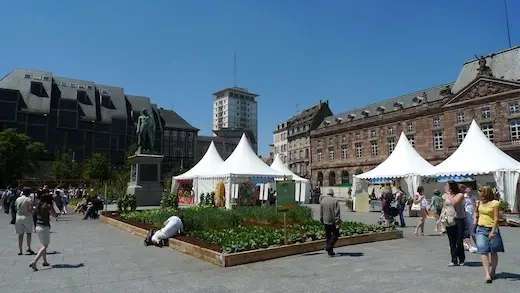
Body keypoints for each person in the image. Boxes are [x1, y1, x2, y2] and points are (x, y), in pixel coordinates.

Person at [474, 186, 505, 283]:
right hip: (481, 228)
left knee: (493, 251)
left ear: (485, 192)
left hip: (492, 228)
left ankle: (493, 271)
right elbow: (476, 213)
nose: (478, 192)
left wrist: (493, 231)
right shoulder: (479, 202)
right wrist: (475, 218)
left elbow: (496, 218)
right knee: (483, 251)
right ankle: (487, 273)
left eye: (480, 191)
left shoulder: (495, 203)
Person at [29, 190, 57, 271]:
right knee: (45, 245)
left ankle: (45, 261)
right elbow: (54, 215)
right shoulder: (47, 206)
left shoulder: (38, 205)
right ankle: (34, 261)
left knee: (43, 244)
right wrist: (53, 207)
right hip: (44, 227)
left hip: (38, 226)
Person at [444, 181, 466, 266]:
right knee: (451, 241)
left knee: (459, 240)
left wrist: (448, 194)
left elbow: (454, 203)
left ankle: (461, 258)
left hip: (459, 219)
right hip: (449, 219)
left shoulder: (460, 195)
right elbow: (445, 206)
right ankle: (453, 260)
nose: (445, 187)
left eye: (447, 185)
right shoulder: (446, 195)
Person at [320, 189, 341, 257]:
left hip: (325, 221)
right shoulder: (335, 201)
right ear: (332, 194)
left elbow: (321, 212)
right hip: (332, 221)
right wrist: (337, 221)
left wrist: (321, 219)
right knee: (336, 234)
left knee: (328, 236)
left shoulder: (323, 201)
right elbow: (337, 213)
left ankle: (330, 251)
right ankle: (329, 247)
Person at [14, 187, 35, 255]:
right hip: (27, 217)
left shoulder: (18, 199)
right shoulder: (29, 200)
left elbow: (15, 208)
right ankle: (28, 247)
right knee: (28, 233)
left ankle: (20, 250)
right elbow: (30, 210)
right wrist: (34, 208)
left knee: (20, 235)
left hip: (18, 217)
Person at [462, 185, 477, 253]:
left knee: (472, 229)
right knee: (468, 229)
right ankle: (469, 244)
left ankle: (475, 244)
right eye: (468, 189)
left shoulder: (474, 197)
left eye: (470, 189)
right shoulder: (463, 197)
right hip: (466, 214)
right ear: (465, 190)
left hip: (473, 213)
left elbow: (476, 205)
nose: (469, 190)